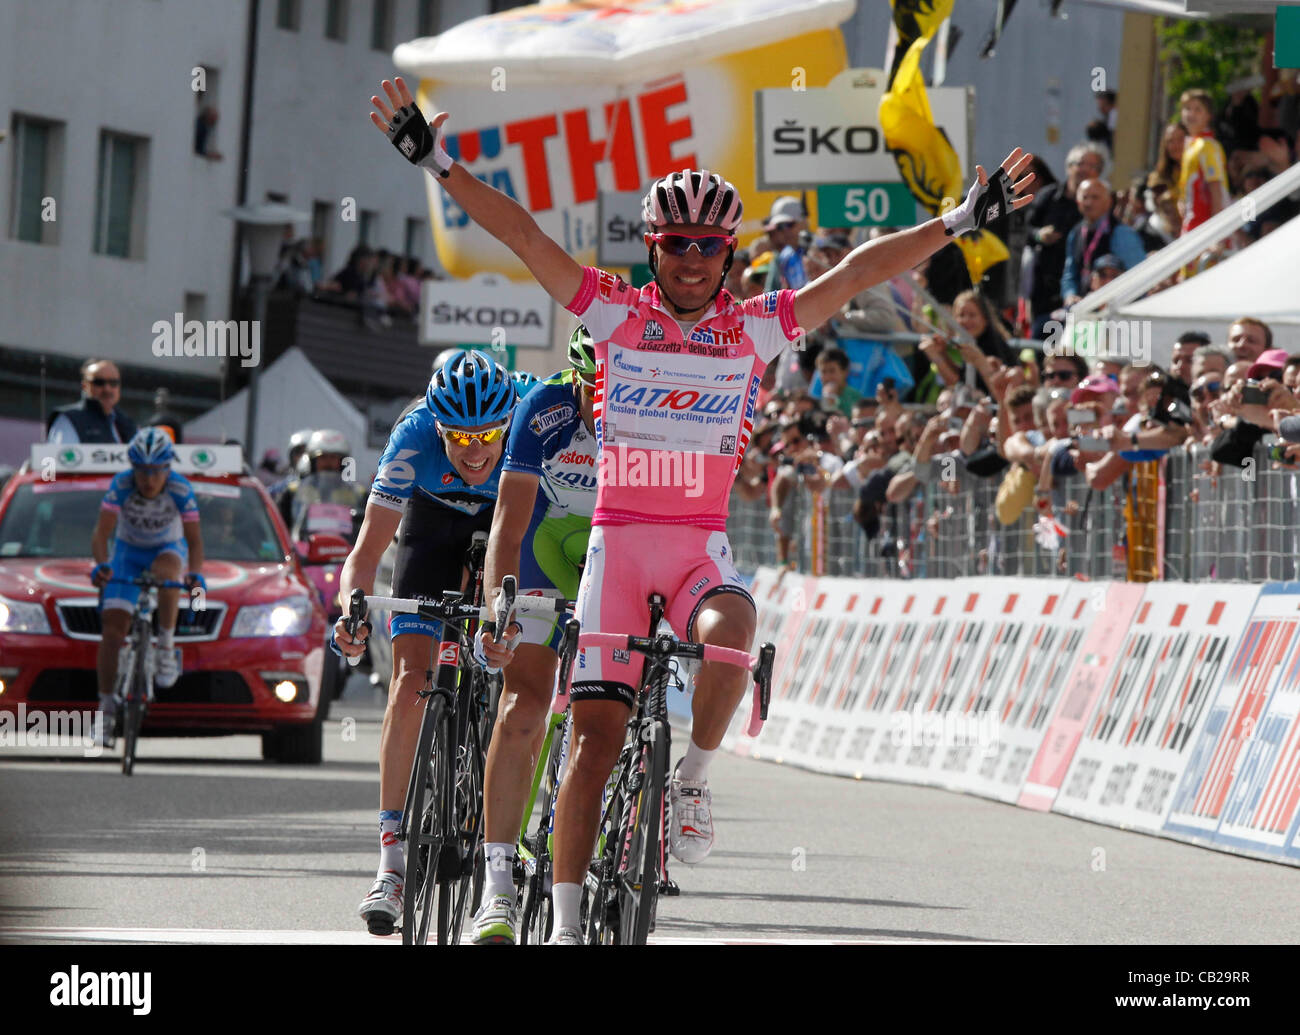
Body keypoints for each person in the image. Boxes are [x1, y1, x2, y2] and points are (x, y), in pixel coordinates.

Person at [370, 75, 1034, 943]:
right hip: (614, 545)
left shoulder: (755, 327)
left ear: (731, 253)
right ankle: (565, 926)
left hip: (695, 548)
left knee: (731, 636)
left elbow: (859, 269)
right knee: (595, 743)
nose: (693, 257)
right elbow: (524, 233)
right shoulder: (613, 312)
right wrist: (440, 163)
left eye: (710, 245)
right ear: (652, 246)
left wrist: (957, 218)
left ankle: (691, 782)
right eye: (677, 241)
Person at [331, 349, 517, 935]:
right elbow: (364, 557)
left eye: (487, 434)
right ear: (436, 424)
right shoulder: (412, 434)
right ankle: (390, 861)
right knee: (412, 680)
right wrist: (351, 614)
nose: (473, 450)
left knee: (505, 641)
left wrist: (505, 620)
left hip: (505, 527)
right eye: (458, 436)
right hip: (431, 524)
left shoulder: (526, 426)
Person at [471, 328, 599, 944]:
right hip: (543, 547)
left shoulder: (651, 406)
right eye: (589, 387)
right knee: (523, 705)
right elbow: (509, 518)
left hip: (610, 553)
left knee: (612, 706)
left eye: (612, 387)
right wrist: (502, 603)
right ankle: (496, 887)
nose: (599, 400)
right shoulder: (543, 410)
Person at [88, 428, 206, 745]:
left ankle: (165, 645)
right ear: (133, 469)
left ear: (168, 469)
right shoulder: (121, 485)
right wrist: (101, 565)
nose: (148, 479)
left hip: (166, 549)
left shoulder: (181, 489)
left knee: (170, 572)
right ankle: (106, 707)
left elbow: (194, 542)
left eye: (156, 471)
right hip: (128, 553)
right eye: (142, 470)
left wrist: (195, 574)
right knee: (112, 632)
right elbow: (101, 534)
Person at [1061, 179, 1146, 307]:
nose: (1089, 203)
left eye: (1095, 197)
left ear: (1109, 202)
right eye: (1084, 197)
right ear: (1078, 202)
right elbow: (1070, 273)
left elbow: (1138, 279)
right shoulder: (1076, 232)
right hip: (1083, 309)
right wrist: (1070, 295)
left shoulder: (1122, 233)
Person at [280, 429, 368, 542]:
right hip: (304, 550)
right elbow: (282, 527)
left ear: (342, 461)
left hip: (345, 551)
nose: (328, 462)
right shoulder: (293, 492)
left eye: (333, 458)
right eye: (323, 457)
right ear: (313, 460)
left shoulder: (358, 493)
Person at [47, 359, 137, 445]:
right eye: (99, 382)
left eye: (113, 382)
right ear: (84, 386)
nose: (107, 389)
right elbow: (61, 456)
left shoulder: (127, 423)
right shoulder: (69, 420)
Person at [1177, 90, 1228, 235]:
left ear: (1208, 116)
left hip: (1204, 230)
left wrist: (1215, 234)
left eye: (1198, 109)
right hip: (1192, 226)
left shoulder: (1207, 146)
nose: (1191, 114)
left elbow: (1216, 190)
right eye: (1187, 108)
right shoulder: (1192, 145)